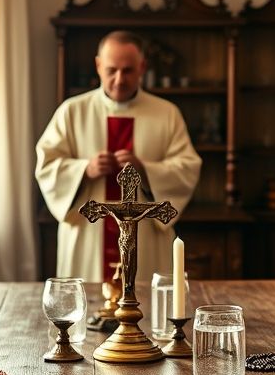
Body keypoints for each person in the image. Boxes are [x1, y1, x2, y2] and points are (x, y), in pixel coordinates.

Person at [35, 30, 201, 284]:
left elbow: (187, 168)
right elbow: (46, 165)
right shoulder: (72, 111)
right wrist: (84, 169)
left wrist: (145, 170)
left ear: (143, 67)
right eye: (111, 69)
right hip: (88, 234)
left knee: (143, 309)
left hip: (145, 235)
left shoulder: (167, 113)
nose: (119, 79)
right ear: (98, 65)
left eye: (128, 70)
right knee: (84, 312)